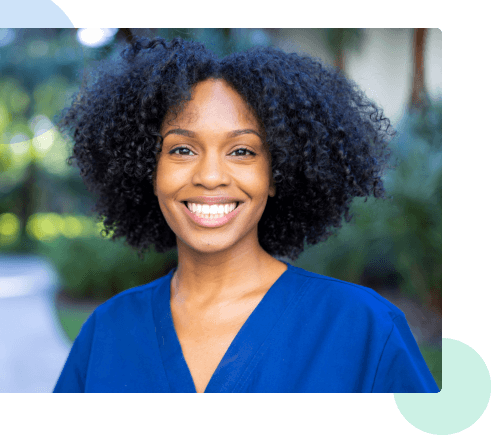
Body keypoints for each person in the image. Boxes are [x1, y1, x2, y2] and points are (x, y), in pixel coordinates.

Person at [52, 36, 438, 393]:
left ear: (276, 173)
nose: (210, 177)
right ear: (148, 172)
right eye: (182, 150)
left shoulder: (364, 328)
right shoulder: (106, 332)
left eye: (242, 151)